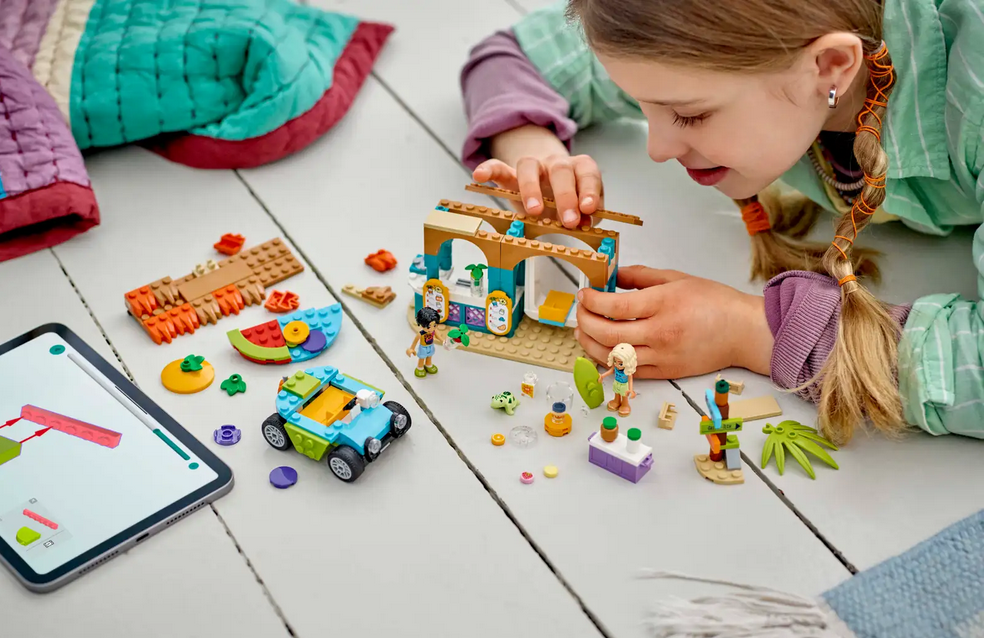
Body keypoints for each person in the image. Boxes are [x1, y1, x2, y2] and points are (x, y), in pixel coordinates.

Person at [459, 0, 984, 444]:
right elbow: (509, 57)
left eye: (689, 116)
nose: (658, 148)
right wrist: (538, 154)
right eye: (643, 106)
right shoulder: (703, 38)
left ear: (830, 66)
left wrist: (750, 330)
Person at [599, 343, 638, 416]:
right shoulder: (615, 367)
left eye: (620, 364)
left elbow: (630, 380)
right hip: (616, 382)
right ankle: (616, 401)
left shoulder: (627, 371)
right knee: (616, 393)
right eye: (615, 361)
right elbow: (610, 371)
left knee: (624, 396)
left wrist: (631, 389)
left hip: (624, 385)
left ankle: (625, 405)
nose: (616, 364)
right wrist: (602, 376)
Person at [406, 308, 441, 378]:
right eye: (428, 327)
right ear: (422, 325)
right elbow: (415, 342)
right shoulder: (421, 333)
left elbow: (438, 337)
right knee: (422, 358)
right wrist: (411, 349)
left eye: (434, 326)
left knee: (429, 356)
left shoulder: (434, 331)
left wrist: (443, 341)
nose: (431, 329)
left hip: (430, 346)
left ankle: (428, 365)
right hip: (423, 348)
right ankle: (420, 367)